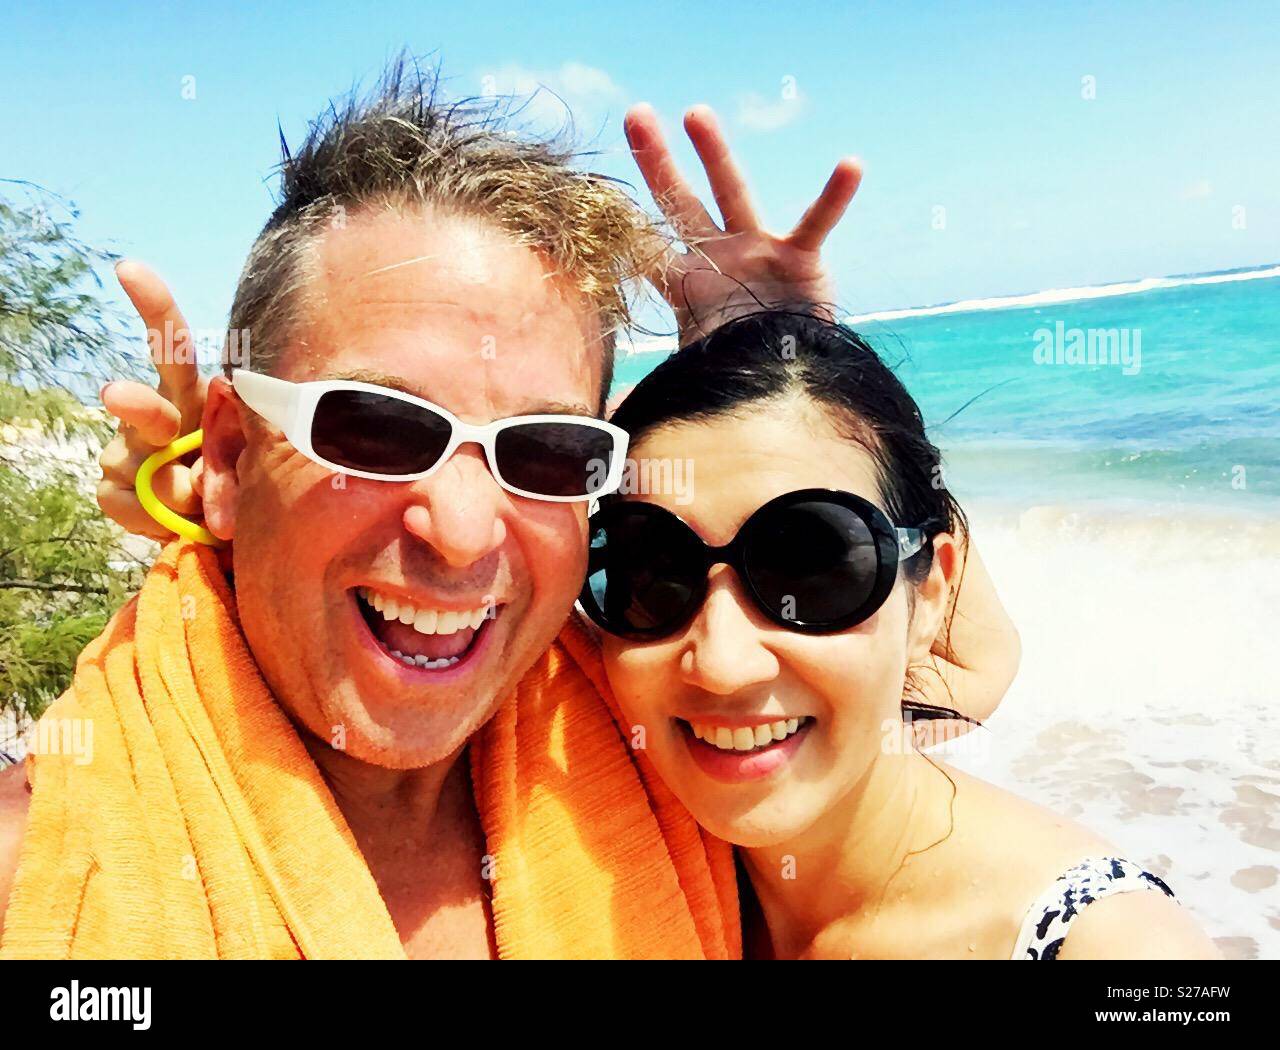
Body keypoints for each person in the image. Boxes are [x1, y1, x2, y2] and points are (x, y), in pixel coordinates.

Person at [0, 62, 1020, 959]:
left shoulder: (650, 733)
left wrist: (771, 363)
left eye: (544, 452)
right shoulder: (38, 871)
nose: (462, 530)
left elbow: (956, 664)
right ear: (227, 455)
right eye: (372, 428)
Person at [581, 310, 1219, 959]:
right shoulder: (628, 850)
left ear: (934, 596)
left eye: (814, 567)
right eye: (652, 569)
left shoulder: (1105, 946)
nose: (721, 663)